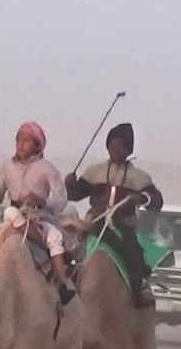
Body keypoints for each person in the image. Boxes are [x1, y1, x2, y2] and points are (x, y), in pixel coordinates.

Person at [64, 122, 164, 308]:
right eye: (112, 146)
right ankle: (65, 286)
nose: (115, 151)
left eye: (120, 147)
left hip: (122, 226)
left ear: (128, 149)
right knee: (71, 250)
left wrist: (140, 198)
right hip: (94, 224)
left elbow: (156, 201)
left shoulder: (139, 177)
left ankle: (139, 288)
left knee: (133, 252)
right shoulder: (95, 172)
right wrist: (70, 184)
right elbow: (75, 195)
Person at [0, 120, 74, 302]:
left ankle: (63, 282)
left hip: (40, 217)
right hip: (13, 216)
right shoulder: (6, 167)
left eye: (26, 141)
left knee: (55, 238)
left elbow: (61, 200)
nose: (20, 144)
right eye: (18, 140)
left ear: (37, 145)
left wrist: (42, 201)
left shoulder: (47, 169)